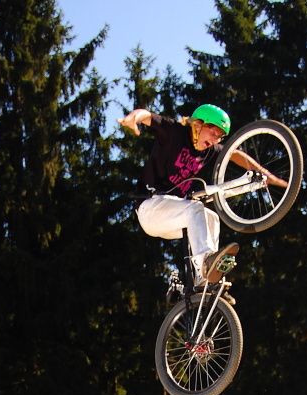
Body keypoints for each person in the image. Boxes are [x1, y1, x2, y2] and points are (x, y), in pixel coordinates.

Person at [118, 104, 288, 291]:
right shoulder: (175, 133)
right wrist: (132, 118)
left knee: (211, 218)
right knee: (195, 207)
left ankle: (204, 282)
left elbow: (235, 154)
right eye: (213, 131)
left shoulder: (210, 151)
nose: (215, 139)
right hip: (150, 208)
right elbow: (146, 115)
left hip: (174, 217)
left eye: (219, 136)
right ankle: (206, 262)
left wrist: (267, 175)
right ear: (198, 125)